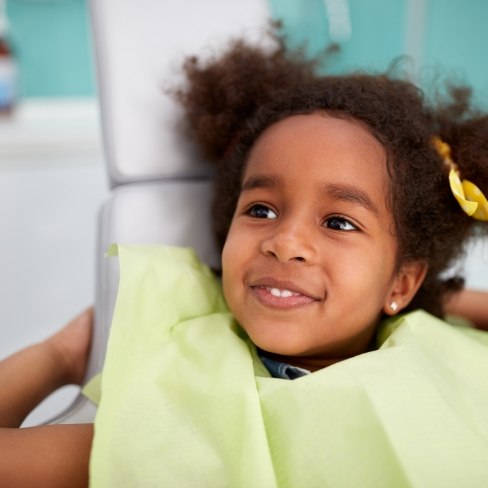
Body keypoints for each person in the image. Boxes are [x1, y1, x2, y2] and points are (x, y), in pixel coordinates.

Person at [1, 32, 488, 486]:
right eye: (261, 209)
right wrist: (60, 356)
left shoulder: (444, 362)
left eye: (338, 222)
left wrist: (443, 301)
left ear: (403, 283)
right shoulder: (172, 408)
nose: (284, 241)